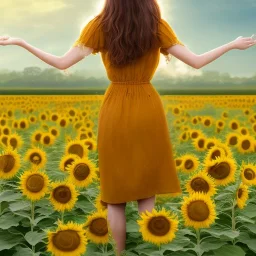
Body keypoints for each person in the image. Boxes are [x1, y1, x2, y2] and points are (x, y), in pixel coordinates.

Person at [1, 1, 255, 255]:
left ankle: (118, 253)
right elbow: (197, 62)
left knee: (115, 197)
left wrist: (22, 42)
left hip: (115, 109)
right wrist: (231, 44)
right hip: (148, 107)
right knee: (147, 192)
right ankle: (152, 250)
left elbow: (61, 63)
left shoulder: (100, 25)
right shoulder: (156, 25)